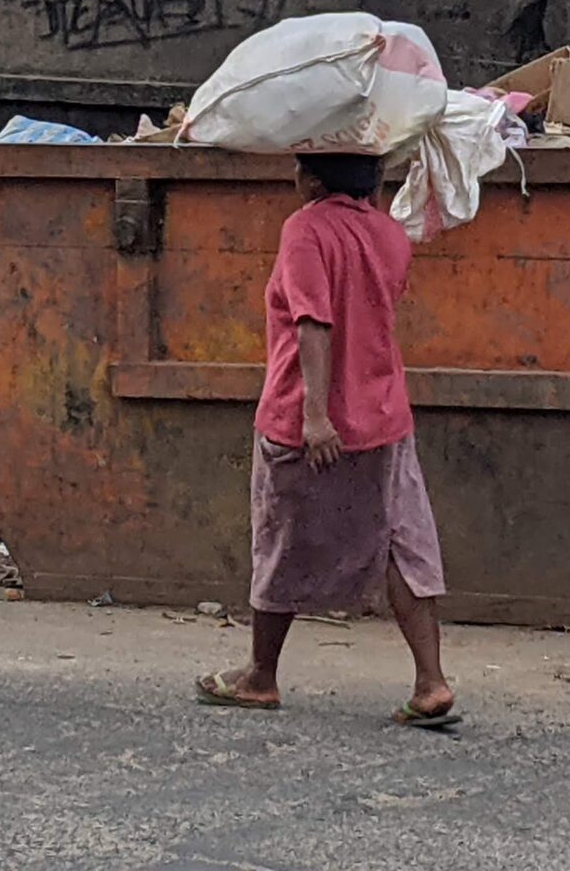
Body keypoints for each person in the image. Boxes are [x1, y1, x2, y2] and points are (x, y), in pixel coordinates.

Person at [196, 152, 456, 727]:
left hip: (305, 418)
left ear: (312, 179)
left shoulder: (304, 228)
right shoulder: (390, 234)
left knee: (282, 539)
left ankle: (261, 676)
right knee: (400, 538)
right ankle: (431, 681)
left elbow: (312, 321)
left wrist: (316, 415)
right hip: (385, 414)